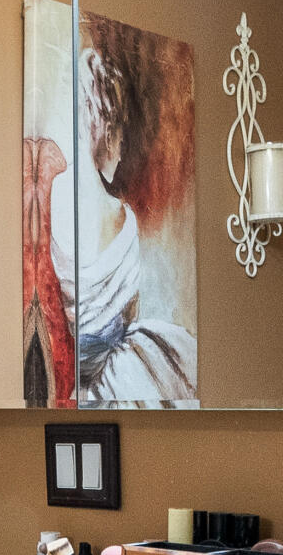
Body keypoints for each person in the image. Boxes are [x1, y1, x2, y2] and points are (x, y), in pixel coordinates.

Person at [35, 45, 198, 407]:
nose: (122, 147)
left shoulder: (55, 192)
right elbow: (128, 314)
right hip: (105, 374)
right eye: (119, 132)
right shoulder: (118, 214)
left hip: (100, 370)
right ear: (105, 126)